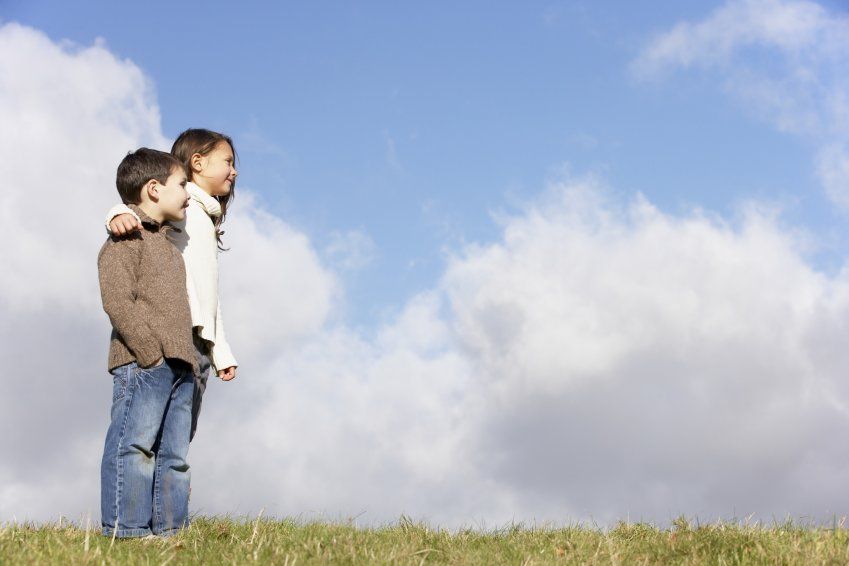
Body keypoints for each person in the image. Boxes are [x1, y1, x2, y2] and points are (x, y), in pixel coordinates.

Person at [105, 129, 239, 441]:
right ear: (198, 162)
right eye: (227, 161)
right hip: (172, 335)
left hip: (199, 346)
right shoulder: (183, 201)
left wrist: (220, 352)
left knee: (174, 447)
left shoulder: (205, 216)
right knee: (146, 441)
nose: (234, 171)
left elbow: (209, 293)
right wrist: (116, 214)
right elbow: (137, 208)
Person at [98, 148, 197, 538]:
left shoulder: (171, 247)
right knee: (134, 448)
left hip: (180, 364)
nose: (188, 192)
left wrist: (181, 358)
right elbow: (116, 300)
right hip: (144, 364)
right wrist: (148, 353)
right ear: (154, 189)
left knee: (174, 457)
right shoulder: (124, 238)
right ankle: (128, 531)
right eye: (181, 184)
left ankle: (172, 534)